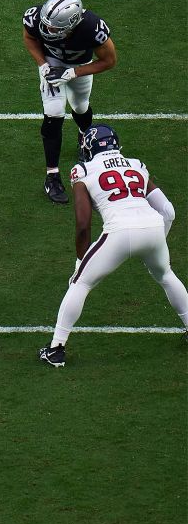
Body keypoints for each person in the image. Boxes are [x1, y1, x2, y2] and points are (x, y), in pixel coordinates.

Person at [38, 125, 185, 367]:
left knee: (80, 282)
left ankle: (56, 349)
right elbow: (168, 211)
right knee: (166, 275)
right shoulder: (136, 165)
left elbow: (84, 223)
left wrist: (79, 262)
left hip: (119, 232)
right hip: (153, 228)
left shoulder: (83, 170)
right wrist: (158, 241)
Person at [22, 0, 118, 204]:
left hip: (80, 67)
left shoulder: (93, 28)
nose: (47, 30)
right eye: (46, 25)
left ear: (72, 24)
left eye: (54, 28)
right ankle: (52, 176)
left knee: (81, 106)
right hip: (52, 63)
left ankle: (85, 138)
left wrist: (74, 73)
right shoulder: (36, 18)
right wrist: (43, 64)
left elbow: (109, 60)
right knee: (54, 113)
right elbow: (29, 37)